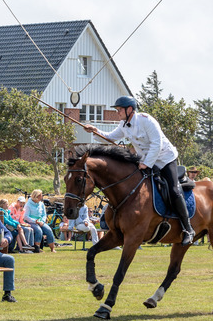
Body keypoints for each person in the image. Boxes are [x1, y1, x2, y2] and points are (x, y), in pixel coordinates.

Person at [82, 95, 196, 245]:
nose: (117, 113)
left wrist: (146, 163)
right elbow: (110, 137)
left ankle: (188, 229)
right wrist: (94, 130)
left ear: (130, 109)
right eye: (116, 110)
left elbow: (157, 144)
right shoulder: (124, 124)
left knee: (174, 190)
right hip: (145, 161)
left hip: (165, 159)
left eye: (119, 110)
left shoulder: (146, 120)